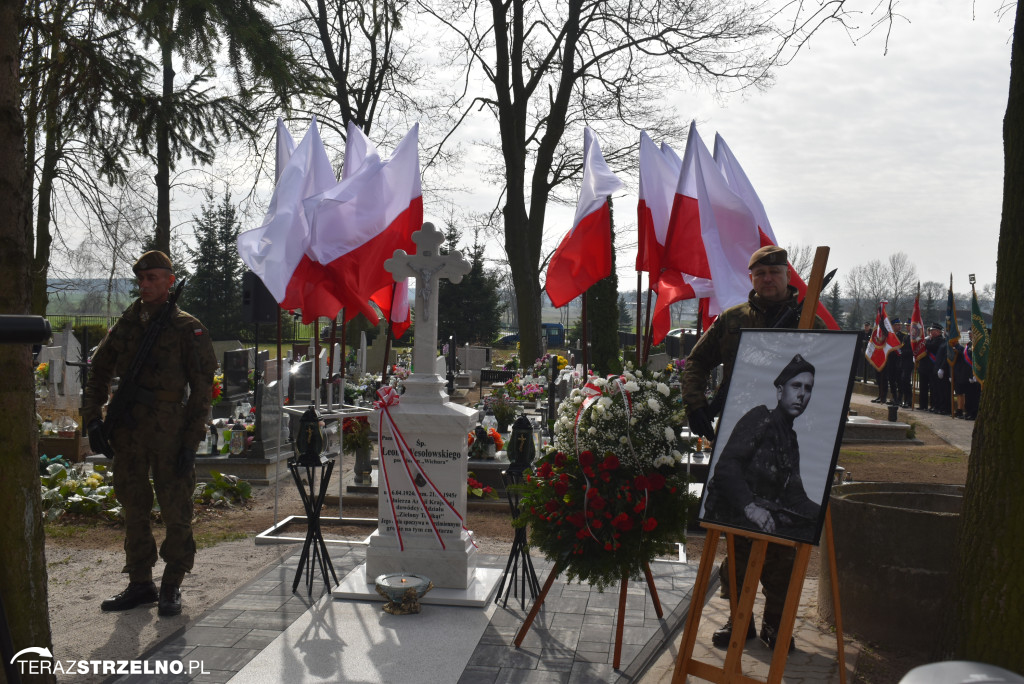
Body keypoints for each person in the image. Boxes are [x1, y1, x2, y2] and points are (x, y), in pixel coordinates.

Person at [681, 244, 824, 651]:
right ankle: (737, 621)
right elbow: (696, 361)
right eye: (760, 273)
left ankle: (777, 626)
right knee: (736, 539)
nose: (767, 279)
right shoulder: (732, 321)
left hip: (792, 441)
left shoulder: (809, 319)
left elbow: (831, 368)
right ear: (752, 279)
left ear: (786, 277)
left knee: (784, 544)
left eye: (774, 272)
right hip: (741, 434)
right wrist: (695, 405)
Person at [82, 251, 218, 617]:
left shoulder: (188, 327)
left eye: (153, 278)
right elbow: (98, 372)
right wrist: (92, 419)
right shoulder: (128, 322)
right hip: (128, 431)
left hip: (170, 432)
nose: (145, 285)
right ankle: (140, 582)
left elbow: (203, 390)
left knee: (176, 509)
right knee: (134, 506)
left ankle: (172, 583)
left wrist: (191, 440)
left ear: (170, 280)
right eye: (141, 279)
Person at [703, 353, 821, 541]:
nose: (802, 394)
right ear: (780, 391)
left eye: (808, 388)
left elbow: (795, 497)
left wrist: (823, 515)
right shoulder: (760, 418)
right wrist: (750, 507)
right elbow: (726, 468)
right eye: (796, 386)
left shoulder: (790, 439)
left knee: (811, 529)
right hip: (735, 513)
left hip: (762, 518)